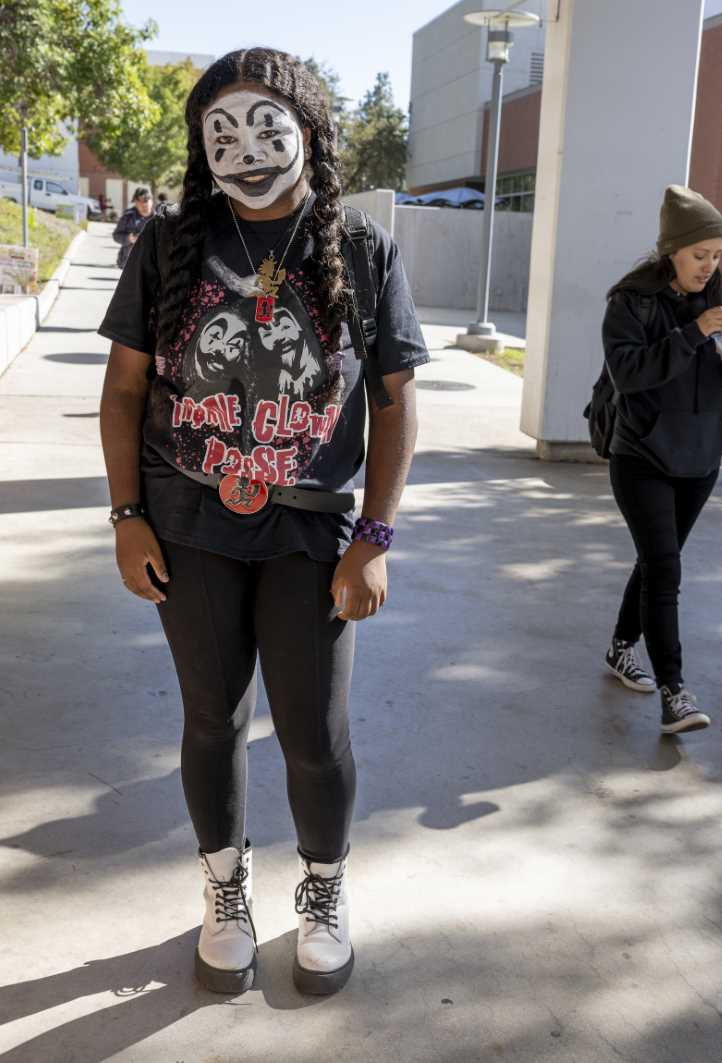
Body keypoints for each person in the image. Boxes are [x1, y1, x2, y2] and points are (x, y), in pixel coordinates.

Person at [98, 48, 428, 996]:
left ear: (310, 135)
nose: (245, 149)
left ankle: (323, 891)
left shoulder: (362, 249)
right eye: (222, 132)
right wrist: (128, 514)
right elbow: (123, 392)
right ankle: (224, 888)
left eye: (267, 127)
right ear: (202, 147)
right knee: (211, 717)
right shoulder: (166, 246)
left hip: (311, 534)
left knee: (313, 732)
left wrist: (375, 535)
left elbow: (399, 402)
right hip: (188, 524)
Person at [602, 186, 722, 735]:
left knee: (656, 563)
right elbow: (629, 374)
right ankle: (675, 693)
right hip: (641, 454)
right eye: (700, 255)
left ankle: (622, 647)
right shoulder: (631, 300)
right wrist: (692, 333)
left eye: (717, 256)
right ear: (672, 249)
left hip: (700, 457)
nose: (709, 266)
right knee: (666, 569)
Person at [112, 188, 154, 269]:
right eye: (138, 203)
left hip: (150, 265)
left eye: (145, 202)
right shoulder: (128, 216)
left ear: (151, 202)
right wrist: (129, 238)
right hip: (128, 262)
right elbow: (116, 235)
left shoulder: (158, 219)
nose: (143, 206)